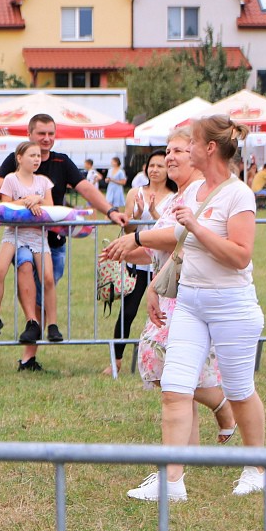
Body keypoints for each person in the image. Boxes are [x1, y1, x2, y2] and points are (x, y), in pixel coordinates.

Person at [110, 116, 266, 500]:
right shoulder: (191, 195)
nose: (180, 151)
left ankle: (257, 467)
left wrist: (196, 227)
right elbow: (177, 244)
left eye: (189, 143)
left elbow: (241, 257)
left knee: (240, 390)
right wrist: (146, 253)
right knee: (175, 389)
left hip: (231, 305)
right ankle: (172, 482)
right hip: (189, 304)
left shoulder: (238, 194)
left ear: (208, 148)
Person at [101, 135, 238, 454]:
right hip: (170, 295)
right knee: (171, 376)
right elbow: (159, 251)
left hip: (189, 295)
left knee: (168, 371)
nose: (170, 157)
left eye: (178, 151)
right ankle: (188, 455)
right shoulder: (183, 195)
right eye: (169, 151)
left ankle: (219, 411)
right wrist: (123, 251)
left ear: (197, 155)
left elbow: (182, 239)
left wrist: (136, 237)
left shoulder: (200, 194)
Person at [0, 114, 128, 372]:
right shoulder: (14, 159)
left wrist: (110, 211)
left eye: (51, 133)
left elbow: (86, 189)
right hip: (20, 238)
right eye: (41, 134)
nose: (47, 139)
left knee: (44, 288)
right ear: (29, 134)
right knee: (26, 273)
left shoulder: (62, 162)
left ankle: (33, 339)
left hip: (54, 242)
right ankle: (31, 338)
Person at [103, 150, 171, 376]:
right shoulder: (136, 192)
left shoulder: (176, 194)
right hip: (139, 262)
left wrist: (153, 212)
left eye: (160, 166)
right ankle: (116, 360)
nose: (154, 170)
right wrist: (138, 213)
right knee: (128, 311)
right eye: (151, 165)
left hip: (165, 262)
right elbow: (128, 228)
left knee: (167, 312)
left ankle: (166, 358)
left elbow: (170, 228)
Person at [0, 141, 56, 345]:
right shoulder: (11, 179)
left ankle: (51, 324)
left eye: (38, 156)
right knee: (19, 268)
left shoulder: (43, 182)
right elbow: (5, 206)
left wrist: (37, 200)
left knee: (47, 278)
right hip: (16, 236)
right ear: (19, 158)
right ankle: (26, 320)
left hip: (39, 236)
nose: (37, 159)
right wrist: (26, 201)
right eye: (32, 155)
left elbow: (50, 206)